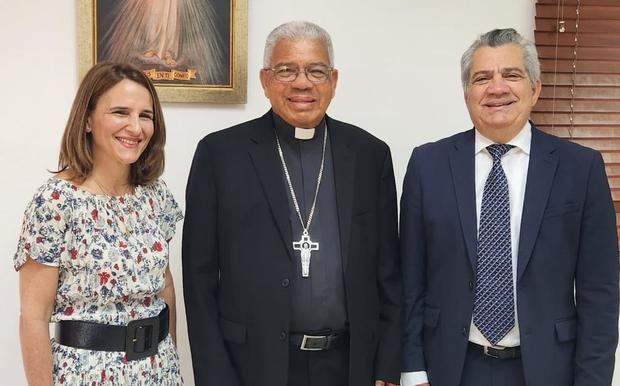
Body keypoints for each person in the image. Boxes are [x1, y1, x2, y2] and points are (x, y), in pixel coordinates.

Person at [183, 21, 401, 386]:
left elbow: (388, 274)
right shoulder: (220, 154)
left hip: (349, 367)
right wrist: (215, 376)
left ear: (333, 80)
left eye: (316, 71)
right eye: (286, 70)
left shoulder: (369, 155)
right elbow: (198, 278)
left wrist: (386, 367)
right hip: (253, 366)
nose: (302, 83)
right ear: (265, 80)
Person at [400, 28, 619, 386]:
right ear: (467, 92)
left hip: (548, 370)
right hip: (450, 368)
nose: (496, 88)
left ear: (535, 88)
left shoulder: (581, 168)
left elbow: (601, 292)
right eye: (482, 78)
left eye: (512, 75)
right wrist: (412, 369)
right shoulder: (428, 164)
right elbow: (410, 278)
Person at [15, 62, 184, 385]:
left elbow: (165, 288)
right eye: (120, 112)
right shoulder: (55, 202)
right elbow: (34, 317)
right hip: (87, 374)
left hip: (158, 371)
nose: (135, 128)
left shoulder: (155, 196)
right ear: (88, 119)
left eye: (145, 116)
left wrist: (171, 362)